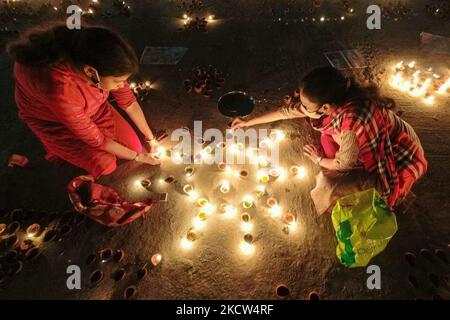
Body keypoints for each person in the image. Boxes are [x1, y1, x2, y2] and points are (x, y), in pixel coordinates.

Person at [231, 67, 427, 213]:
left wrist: (318, 159)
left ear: (326, 107)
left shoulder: (352, 124)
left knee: (328, 185)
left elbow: (344, 163)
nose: (301, 108)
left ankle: (392, 195)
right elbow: (286, 112)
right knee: (326, 139)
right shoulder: (337, 97)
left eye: (306, 106)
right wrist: (248, 123)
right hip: (373, 137)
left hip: (400, 153)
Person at [7, 22, 160, 178]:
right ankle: (57, 147)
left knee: (135, 146)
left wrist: (151, 138)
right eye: (117, 81)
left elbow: (129, 102)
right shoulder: (61, 89)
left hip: (92, 108)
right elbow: (99, 141)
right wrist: (138, 157)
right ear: (90, 71)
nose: (122, 85)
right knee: (106, 165)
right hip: (54, 122)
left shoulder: (92, 54)